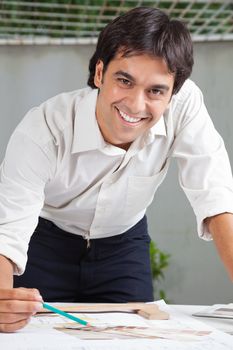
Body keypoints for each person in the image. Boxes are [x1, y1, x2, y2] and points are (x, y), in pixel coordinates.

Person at [0, 7, 233, 333]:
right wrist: (1, 299)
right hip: (44, 243)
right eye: (124, 80)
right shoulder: (43, 129)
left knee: (137, 338)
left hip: (124, 246)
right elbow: (7, 231)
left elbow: (215, 193)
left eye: (156, 90)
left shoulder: (185, 105)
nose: (136, 105)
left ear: (173, 92)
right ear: (99, 74)